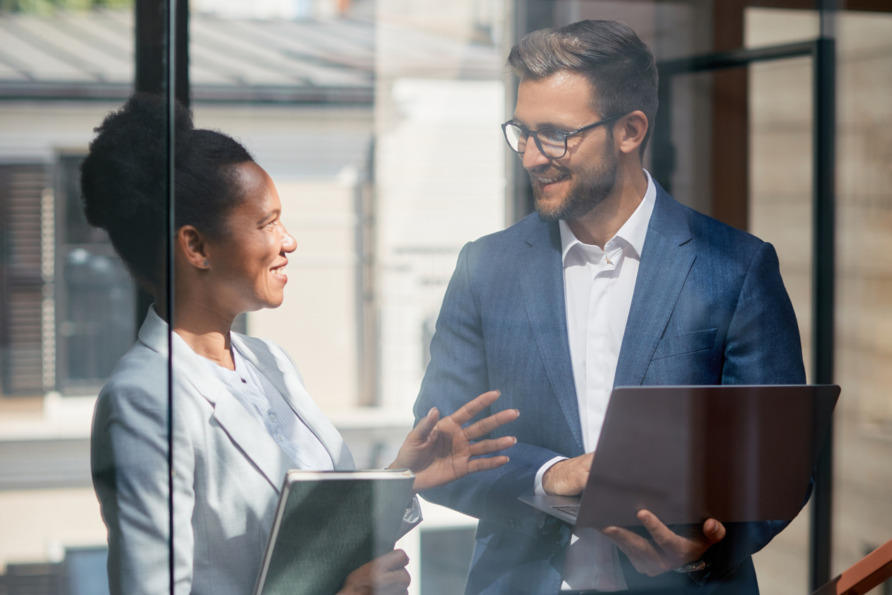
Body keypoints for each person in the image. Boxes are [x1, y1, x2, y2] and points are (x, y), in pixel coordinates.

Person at [413, 19, 806, 595]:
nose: (530, 156)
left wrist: (703, 549)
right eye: (521, 131)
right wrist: (551, 475)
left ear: (630, 130)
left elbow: (781, 462)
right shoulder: (485, 268)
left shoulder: (736, 267)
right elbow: (439, 449)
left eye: (555, 134)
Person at [83, 93, 519, 595]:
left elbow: (311, 538)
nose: (289, 241)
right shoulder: (144, 399)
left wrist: (403, 476)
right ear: (196, 246)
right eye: (266, 223)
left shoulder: (271, 364)